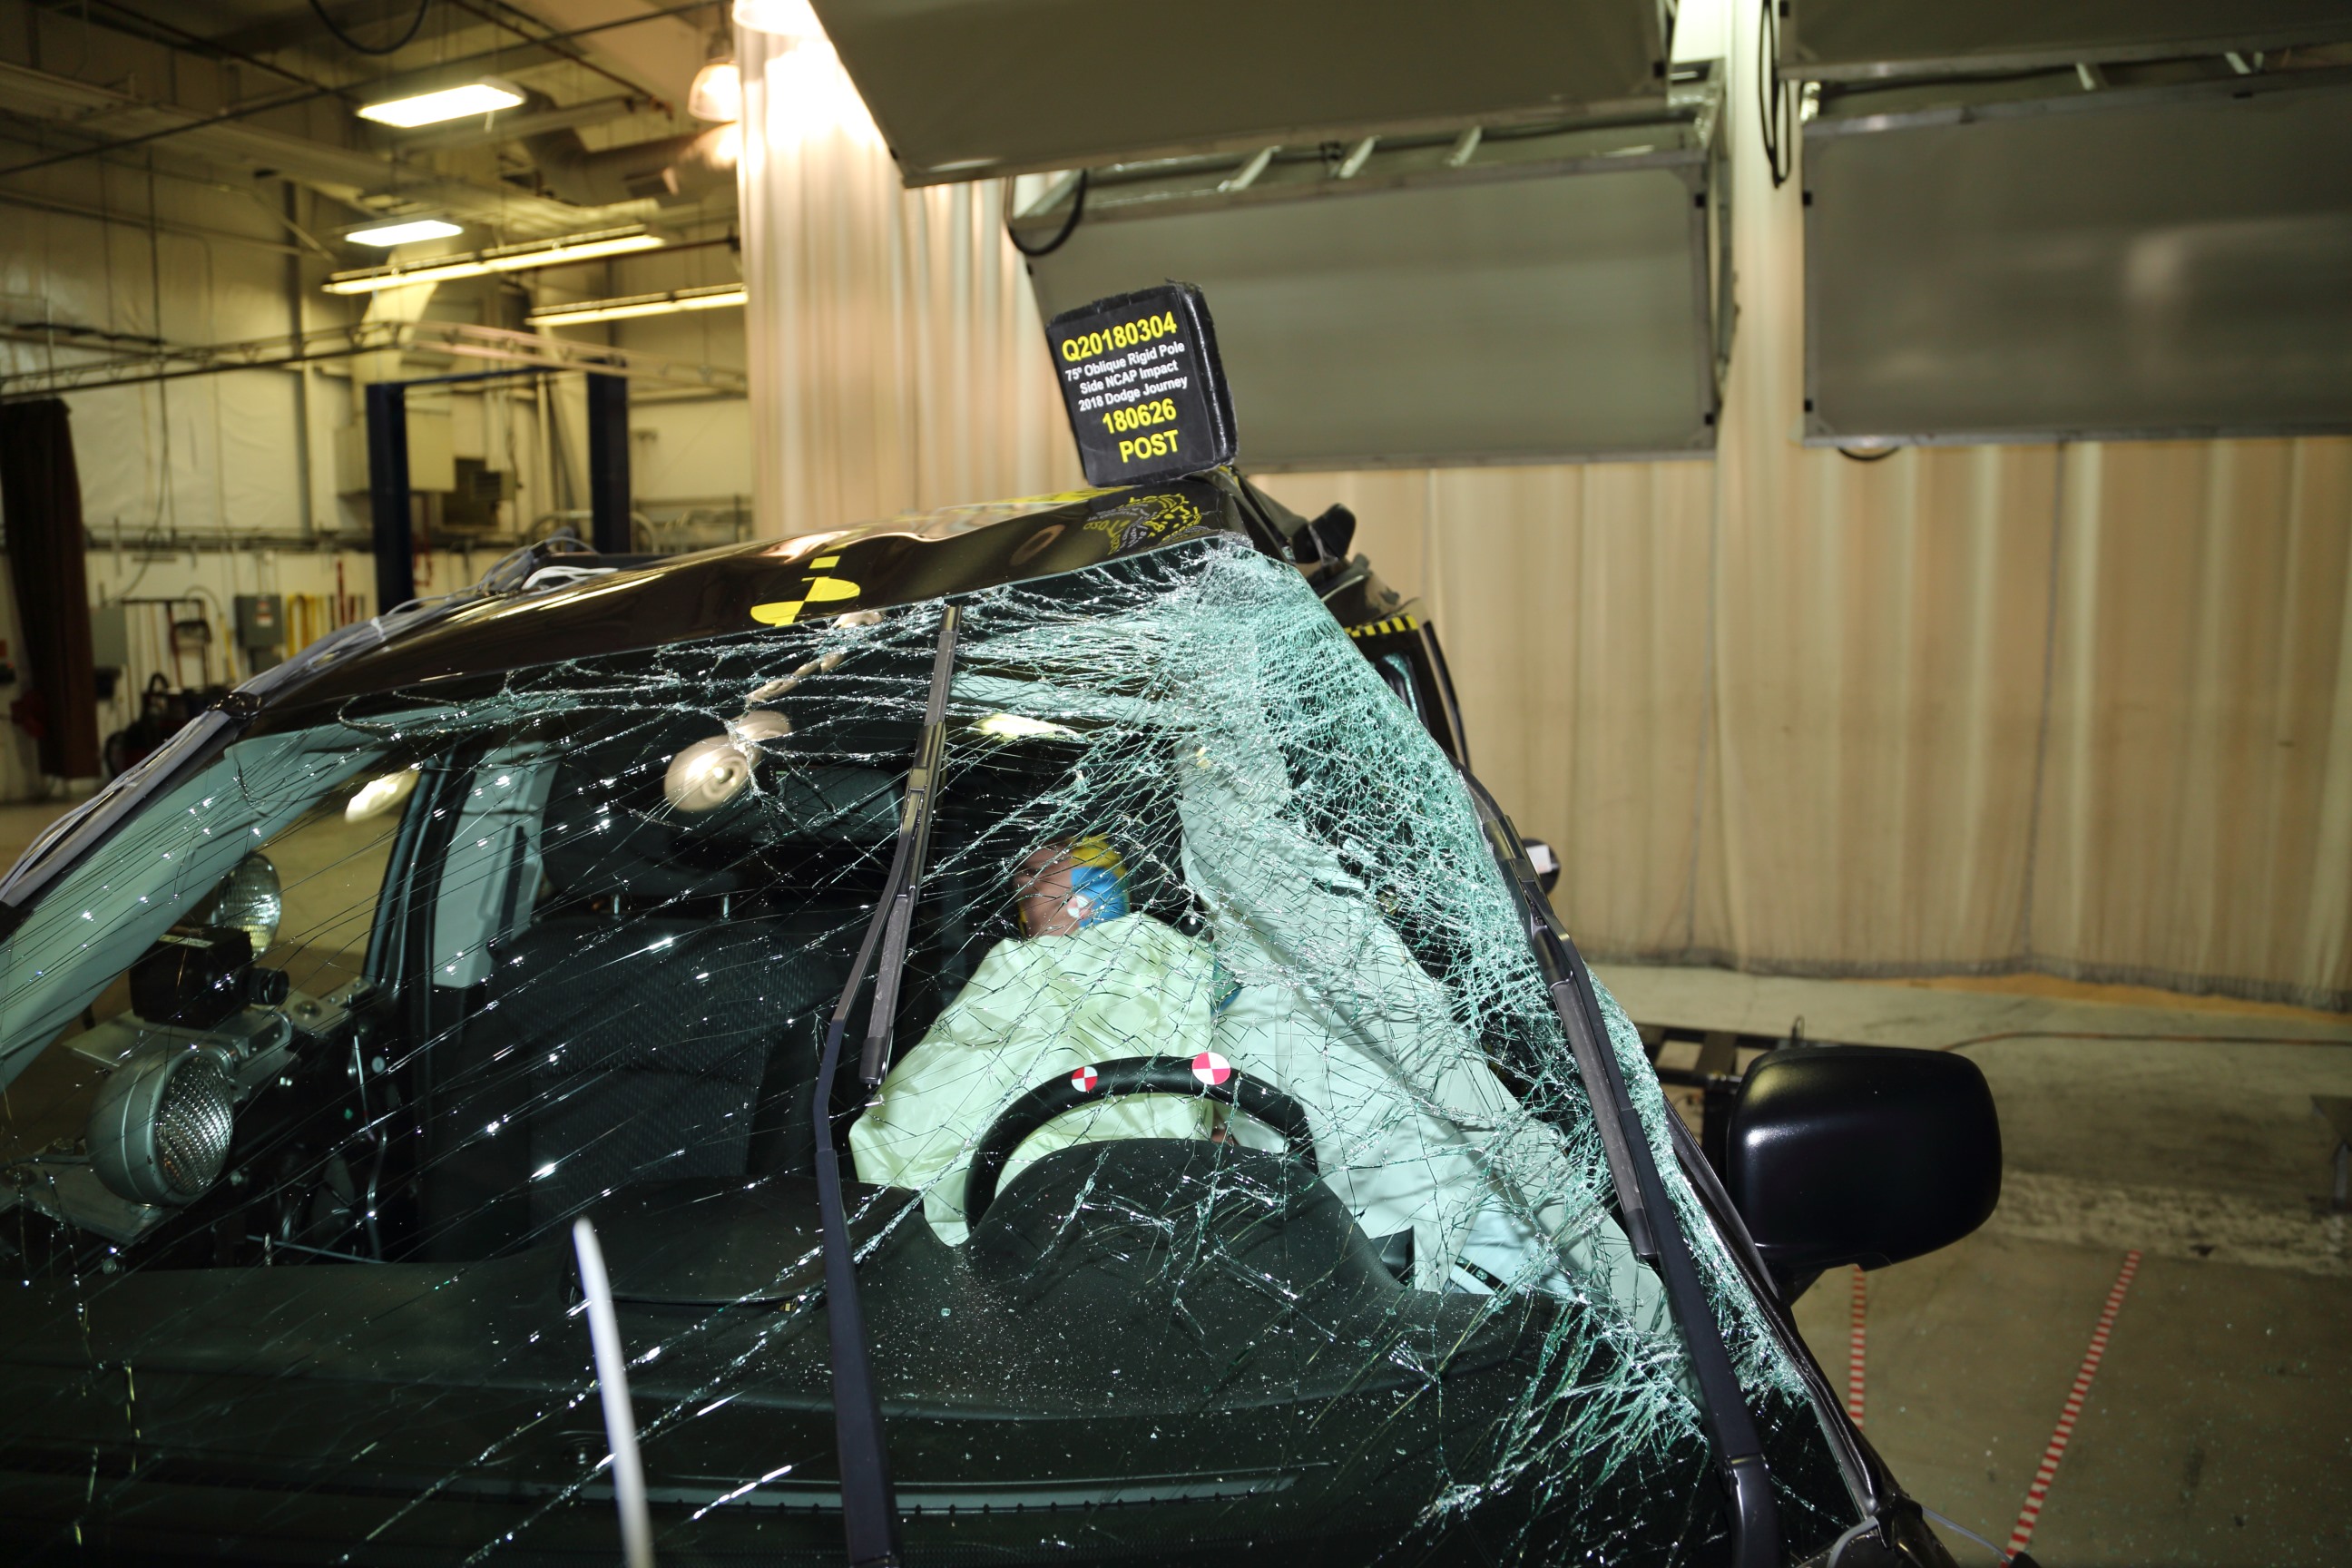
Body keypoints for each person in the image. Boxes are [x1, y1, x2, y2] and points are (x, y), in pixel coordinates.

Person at [850, 814, 1671, 1334]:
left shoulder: (1273, 991)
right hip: (1053, 1283)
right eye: (1037, 884)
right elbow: (921, 1123)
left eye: (1074, 876)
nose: (1055, 896)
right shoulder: (1017, 982)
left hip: (1330, 1290)